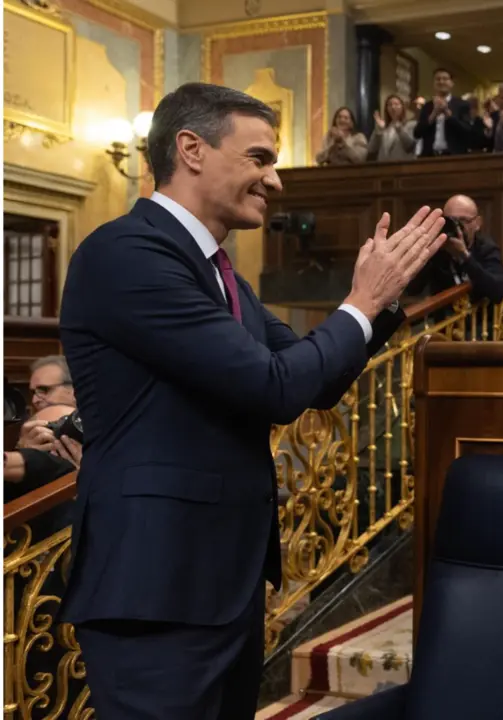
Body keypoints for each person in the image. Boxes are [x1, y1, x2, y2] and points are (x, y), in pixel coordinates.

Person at [56, 82, 447, 719]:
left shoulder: (220, 272)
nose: (276, 180)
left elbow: (309, 379)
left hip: (220, 586)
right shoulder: (126, 253)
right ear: (191, 149)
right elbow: (272, 386)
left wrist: (381, 303)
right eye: (260, 158)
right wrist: (360, 303)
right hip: (157, 588)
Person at [405, 194, 503, 331]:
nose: (457, 226)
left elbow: (497, 292)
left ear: (477, 223)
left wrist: (465, 257)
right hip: (445, 329)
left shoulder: (486, 249)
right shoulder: (439, 253)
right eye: (451, 220)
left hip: (481, 328)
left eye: (463, 220)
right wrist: (428, 254)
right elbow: (412, 289)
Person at [414, 68, 474, 157]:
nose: (441, 82)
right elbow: (417, 133)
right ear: (434, 83)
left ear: (451, 83)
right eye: (438, 79)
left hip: (454, 156)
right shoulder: (427, 106)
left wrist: (448, 114)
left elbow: (468, 131)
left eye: (445, 79)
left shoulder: (462, 105)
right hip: (430, 157)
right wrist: (433, 114)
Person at [367, 94, 417, 162]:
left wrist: (399, 129)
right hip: (384, 168)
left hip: (403, 167)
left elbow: (410, 147)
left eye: (396, 104)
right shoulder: (383, 127)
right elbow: (371, 149)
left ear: (402, 107)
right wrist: (378, 130)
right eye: (390, 105)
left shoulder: (411, 125)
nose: (393, 107)